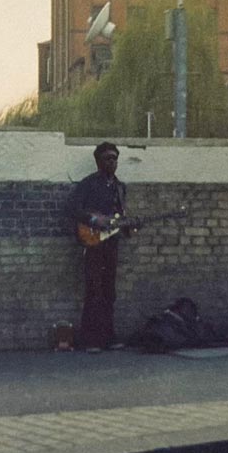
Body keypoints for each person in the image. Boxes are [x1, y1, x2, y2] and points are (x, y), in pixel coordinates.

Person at [67, 141, 130, 353]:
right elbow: (72, 208)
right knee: (93, 290)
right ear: (98, 162)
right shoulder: (88, 184)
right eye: (107, 158)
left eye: (115, 158)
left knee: (109, 291)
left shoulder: (120, 188)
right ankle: (90, 340)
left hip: (112, 243)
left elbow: (120, 217)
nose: (112, 162)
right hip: (93, 242)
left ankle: (108, 337)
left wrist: (128, 226)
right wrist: (95, 220)